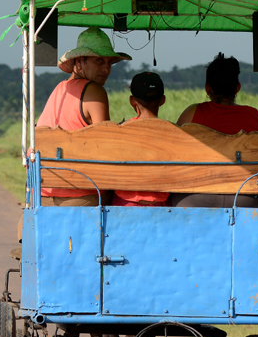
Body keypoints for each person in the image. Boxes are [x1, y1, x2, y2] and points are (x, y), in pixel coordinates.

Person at [36, 27, 131, 206]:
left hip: (43, 191)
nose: (106, 69)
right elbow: (105, 146)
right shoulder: (94, 90)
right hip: (78, 192)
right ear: (79, 62)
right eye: (99, 61)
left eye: (109, 62)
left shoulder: (59, 88)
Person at [173, 52, 258, 208]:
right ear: (237, 87)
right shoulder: (254, 115)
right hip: (245, 198)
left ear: (207, 88)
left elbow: (173, 155)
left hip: (196, 198)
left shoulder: (192, 113)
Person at [112, 72, 169, 207]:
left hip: (125, 202)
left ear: (133, 101)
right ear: (162, 100)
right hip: (160, 203)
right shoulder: (172, 132)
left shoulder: (120, 131)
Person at [176, 52, 258, 134]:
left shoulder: (191, 115)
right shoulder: (255, 117)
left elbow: (173, 149)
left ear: (207, 89)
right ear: (237, 88)